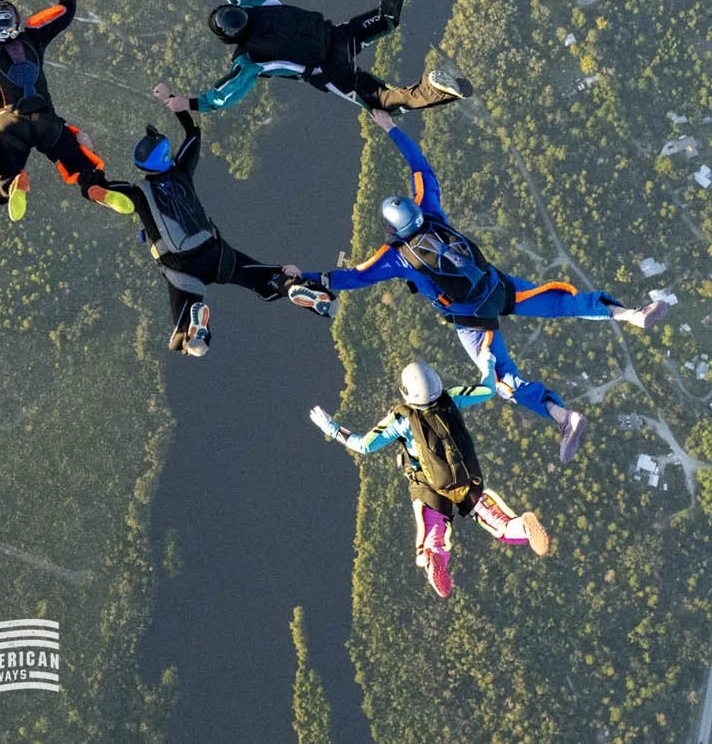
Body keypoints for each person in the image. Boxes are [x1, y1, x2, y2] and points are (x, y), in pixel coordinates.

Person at [304, 112, 668, 460]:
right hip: (498, 287)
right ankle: (631, 314)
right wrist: (391, 127)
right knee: (561, 302)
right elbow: (421, 168)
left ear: (392, 230)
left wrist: (311, 279)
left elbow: (356, 276)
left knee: (503, 380)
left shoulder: (397, 256)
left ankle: (563, 417)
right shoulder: (430, 211)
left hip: (473, 320)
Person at [310, 360, 553, 599]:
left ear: (406, 391)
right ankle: (522, 525)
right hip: (467, 478)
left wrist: (331, 428)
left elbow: (364, 445)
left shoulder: (401, 419)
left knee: (432, 534)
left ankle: (433, 555)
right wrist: (488, 364)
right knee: (499, 523)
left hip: (428, 486)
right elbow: (488, 390)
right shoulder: (452, 397)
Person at [127, 96, 333, 357]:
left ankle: (194, 325)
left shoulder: (136, 194)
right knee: (259, 278)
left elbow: (98, 191)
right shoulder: (181, 171)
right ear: (165, 155)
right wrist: (178, 108)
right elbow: (193, 133)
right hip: (215, 252)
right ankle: (291, 286)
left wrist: (82, 167)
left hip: (182, 268)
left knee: (180, 339)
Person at [0, 0, 134, 223]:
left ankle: (12, 185)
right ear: (17, 20)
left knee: (3, 175)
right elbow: (65, 10)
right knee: (77, 160)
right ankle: (93, 185)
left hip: (11, 126)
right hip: (47, 121)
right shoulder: (34, 34)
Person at [176, 0, 469, 115]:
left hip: (329, 71)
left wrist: (189, 104)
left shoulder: (249, 59)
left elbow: (225, 94)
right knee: (386, 20)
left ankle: (432, 87)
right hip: (338, 34)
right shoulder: (262, 5)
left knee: (386, 102)